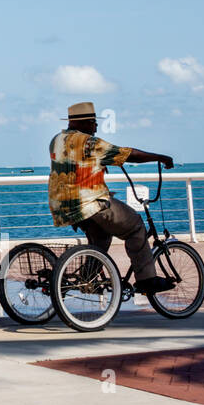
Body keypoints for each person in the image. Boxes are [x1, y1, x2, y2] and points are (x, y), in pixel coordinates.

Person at [48, 101, 177, 295]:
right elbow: (128, 154)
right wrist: (161, 157)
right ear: (84, 123)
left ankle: (88, 279)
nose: (96, 126)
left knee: (101, 237)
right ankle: (147, 279)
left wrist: (96, 165)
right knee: (135, 226)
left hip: (62, 206)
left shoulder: (56, 140)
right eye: (93, 122)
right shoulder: (90, 143)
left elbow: (75, 163)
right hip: (89, 203)